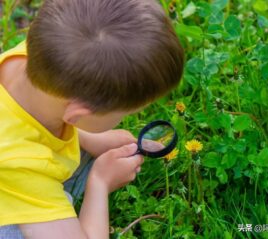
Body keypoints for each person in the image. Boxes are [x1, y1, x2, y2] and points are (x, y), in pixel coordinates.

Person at [0, 0, 184, 238]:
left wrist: (89, 139)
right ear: (77, 115)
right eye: (127, 113)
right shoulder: (22, 162)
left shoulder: (37, 57)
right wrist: (100, 183)